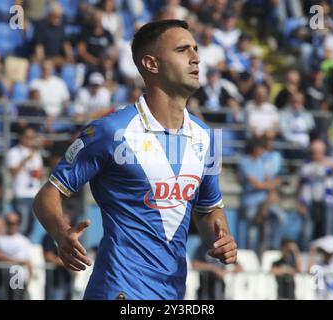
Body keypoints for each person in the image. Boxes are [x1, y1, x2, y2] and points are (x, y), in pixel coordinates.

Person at [33, 19, 237, 300]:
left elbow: (208, 209)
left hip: (173, 294)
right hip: (118, 291)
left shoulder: (208, 137)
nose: (196, 57)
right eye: (182, 50)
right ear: (151, 64)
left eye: (195, 48)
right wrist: (61, 234)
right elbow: (48, 194)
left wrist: (221, 238)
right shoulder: (110, 130)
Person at [6, 127, 43, 236]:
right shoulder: (13, 152)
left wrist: (38, 174)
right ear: (21, 137)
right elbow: (13, 173)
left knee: (31, 225)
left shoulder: (36, 154)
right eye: (28, 137)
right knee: (21, 225)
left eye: (32, 137)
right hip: (21, 193)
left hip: (34, 193)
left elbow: (39, 174)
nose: (30, 140)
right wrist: (26, 160)